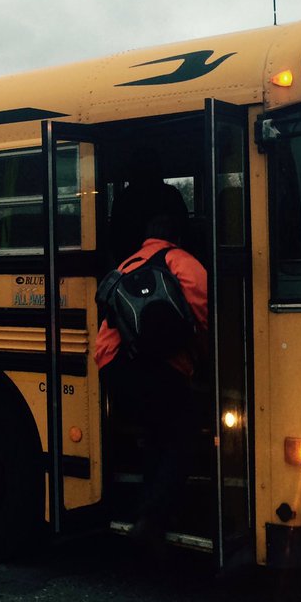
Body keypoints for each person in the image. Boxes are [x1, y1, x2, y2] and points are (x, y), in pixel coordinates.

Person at [95, 212, 208, 544]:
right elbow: (201, 322)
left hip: (114, 366)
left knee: (158, 433)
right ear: (179, 237)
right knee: (183, 433)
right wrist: (201, 360)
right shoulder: (186, 264)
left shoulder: (127, 264)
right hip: (160, 368)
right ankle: (153, 519)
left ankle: (146, 506)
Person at [109, 147, 189, 265]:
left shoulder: (124, 198)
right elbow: (184, 229)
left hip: (132, 263)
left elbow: (115, 237)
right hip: (168, 263)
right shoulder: (170, 195)